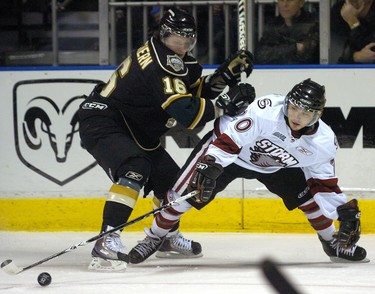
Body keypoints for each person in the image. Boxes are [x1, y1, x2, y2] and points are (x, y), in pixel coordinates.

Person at [78, 7, 254, 271]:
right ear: (163, 35)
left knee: (172, 183)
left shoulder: (170, 57)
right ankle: (106, 241)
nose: (182, 47)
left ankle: (166, 239)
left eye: (188, 41)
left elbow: (195, 90)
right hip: (105, 121)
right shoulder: (158, 64)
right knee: (134, 168)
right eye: (177, 41)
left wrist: (225, 74)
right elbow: (187, 113)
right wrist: (224, 107)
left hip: (134, 128)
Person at [127, 78, 368, 264]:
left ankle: (331, 243)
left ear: (317, 115)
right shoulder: (267, 111)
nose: (297, 116)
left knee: (308, 199)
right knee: (183, 195)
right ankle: (155, 237)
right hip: (232, 152)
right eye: (294, 108)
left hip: (274, 165)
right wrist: (211, 165)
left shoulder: (323, 142)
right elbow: (230, 139)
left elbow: (323, 185)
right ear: (287, 102)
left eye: (305, 113)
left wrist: (341, 212)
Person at [255, 0, 319, 64]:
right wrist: (294, 48)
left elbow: (308, 55)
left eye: (290, 0)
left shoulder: (314, 23)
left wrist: (279, 50)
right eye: (281, 0)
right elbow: (260, 56)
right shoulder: (273, 25)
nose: (285, 4)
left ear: (301, 3)